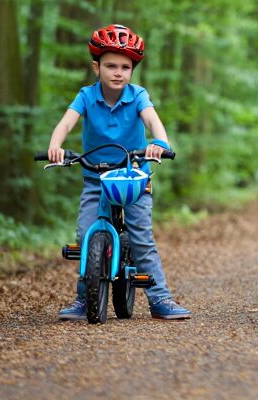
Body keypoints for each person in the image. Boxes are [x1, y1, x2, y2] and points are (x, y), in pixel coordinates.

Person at [46, 23, 192, 320]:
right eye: (110, 66)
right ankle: (83, 299)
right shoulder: (86, 96)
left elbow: (153, 121)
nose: (118, 73)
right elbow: (66, 123)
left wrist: (159, 143)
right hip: (96, 180)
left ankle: (160, 298)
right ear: (96, 67)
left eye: (125, 67)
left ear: (132, 71)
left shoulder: (138, 96)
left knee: (141, 238)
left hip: (133, 179)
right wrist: (55, 145)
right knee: (85, 235)